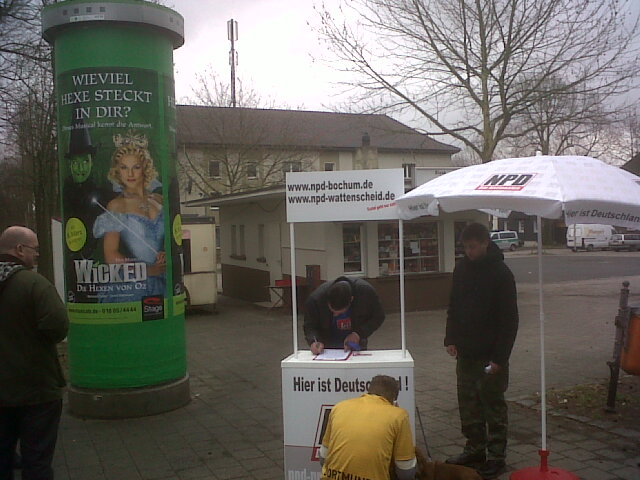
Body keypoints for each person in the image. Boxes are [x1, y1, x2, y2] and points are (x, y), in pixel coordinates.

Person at [444, 222, 519, 479]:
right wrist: (450, 338)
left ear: (486, 243)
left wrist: (500, 358)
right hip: (466, 352)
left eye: (473, 247)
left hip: (490, 355)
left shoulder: (501, 274)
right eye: (465, 247)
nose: (469, 251)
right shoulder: (462, 268)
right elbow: (453, 305)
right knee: (468, 405)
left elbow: (510, 320)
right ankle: (475, 449)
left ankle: (497, 456)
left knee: (493, 406)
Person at [0, 226, 69, 480]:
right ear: (19, 250)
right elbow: (58, 326)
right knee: (36, 460)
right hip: (36, 390)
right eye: (34, 250)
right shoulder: (33, 284)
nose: (37, 255)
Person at [92, 131, 166, 302]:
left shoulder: (158, 200)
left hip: (163, 281)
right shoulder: (118, 205)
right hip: (132, 287)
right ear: (117, 171)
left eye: (136, 167)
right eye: (124, 167)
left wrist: (165, 255)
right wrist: (147, 270)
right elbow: (111, 256)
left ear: (145, 168)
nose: (130, 174)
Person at [319, 375, 416, 480]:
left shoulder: (339, 407)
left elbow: (323, 457)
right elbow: (406, 472)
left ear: (368, 391)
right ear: (394, 399)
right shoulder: (399, 416)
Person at [304, 276, 384, 354]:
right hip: (327, 348)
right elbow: (310, 325)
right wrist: (314, 341)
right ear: (327, 301)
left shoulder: (366, 293)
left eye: (340, 313)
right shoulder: (315, 300)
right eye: (332, 311)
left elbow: (378, 316)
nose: (335, 315)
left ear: (351, 299)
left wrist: (358, 334)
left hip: (356, 345)